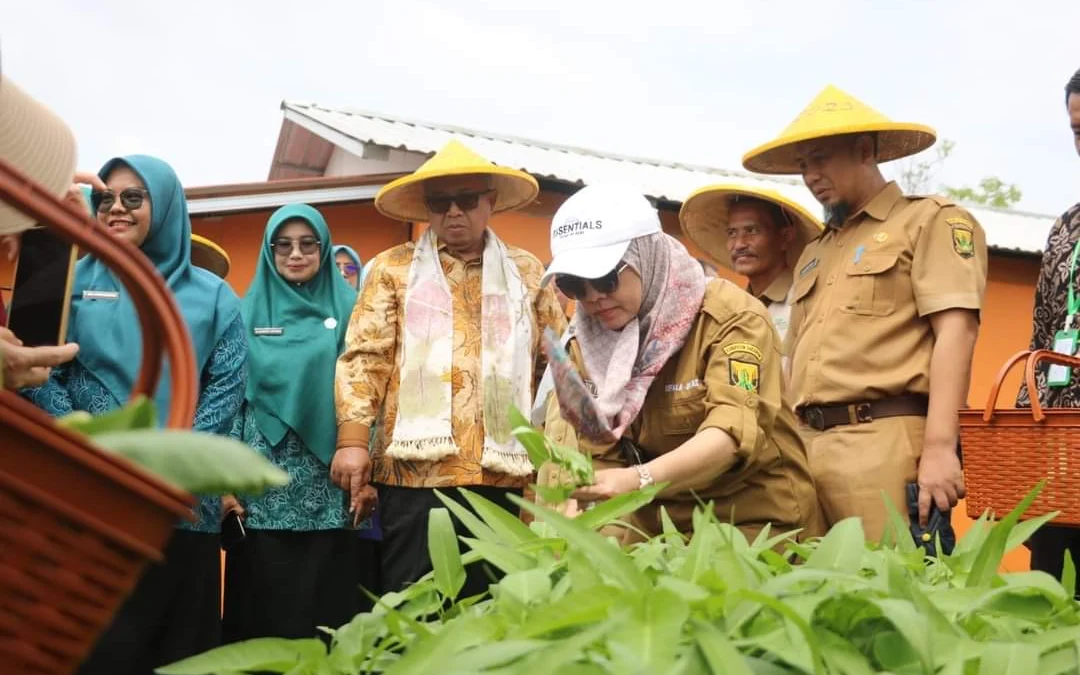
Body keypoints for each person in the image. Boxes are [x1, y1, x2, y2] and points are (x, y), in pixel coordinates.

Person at [22, 155, 247, 674]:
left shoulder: (215, 298)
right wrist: (92, 445)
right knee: (90, 645)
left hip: (181, 503)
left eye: (133, 198)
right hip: (89, 490)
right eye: (106, 198)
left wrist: (167, 464)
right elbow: (37, 372)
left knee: (178, 650)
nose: (116, 209)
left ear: (165, 206)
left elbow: (226, 387)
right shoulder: (67, 281)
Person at [741, 85, 988, 540]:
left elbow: (958, 332)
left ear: (863, 149)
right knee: (809, 601)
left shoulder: (929, 221)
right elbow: (793, 358)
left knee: (888, 597)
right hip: (807, 449)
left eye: (819, 158)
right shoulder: (815, 251)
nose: (810, 175)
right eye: (802, 165)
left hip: (886, 445)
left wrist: (939, 449)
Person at [334, 140, 566, 598]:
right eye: (440, 203)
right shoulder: (392, 269)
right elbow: (366, 356)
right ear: (427, 208)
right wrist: (353, 441)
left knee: (498, 604)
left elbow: (556, 361)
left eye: (467, 200)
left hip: (505, 470)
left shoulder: (526, 270)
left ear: (490, 202)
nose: (454, 212)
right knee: (414, 604)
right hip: (415, 475)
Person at [541, 184, 823, 542]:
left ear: (647, 256)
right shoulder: (589, 340)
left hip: (749, 520)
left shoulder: (732, 318)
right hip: (653, 523)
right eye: (574, 285)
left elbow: (730, 435)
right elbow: (602, 453)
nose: (593, 297)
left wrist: (636, 480)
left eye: (605, 278)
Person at [222, 204, 374, 641]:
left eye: (308, 244)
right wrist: (223, 480)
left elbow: (370, 391)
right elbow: (231, 397)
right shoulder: (242, 313)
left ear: (324, 249)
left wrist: (370, 469)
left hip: (332, 480)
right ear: (269, 251)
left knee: (329, 605)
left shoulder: (354, 312)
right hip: (261, 483)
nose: (295, 254)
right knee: (262, 604)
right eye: (283, 245)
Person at [1015, 67, 1080, 584]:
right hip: (1056, 461)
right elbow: (1041, 335)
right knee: (1048, 597)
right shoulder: (1066, 227)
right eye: (1078, 132)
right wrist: (1022, 439)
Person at [681, 185, 823, 342]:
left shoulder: (806, 303)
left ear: (785, 237)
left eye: (752, 230)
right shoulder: (730, 305)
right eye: (732, 233)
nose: (739, 244)